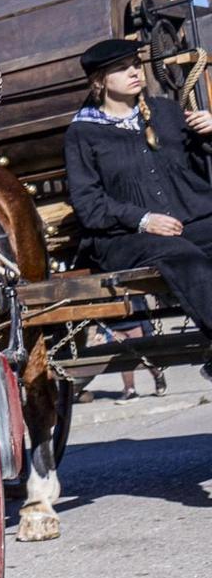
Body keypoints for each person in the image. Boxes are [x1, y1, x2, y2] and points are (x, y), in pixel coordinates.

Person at [63, 38, 212, 372]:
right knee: (182, 255)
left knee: (191, 242)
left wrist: (210, 134)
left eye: (135, 64)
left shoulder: (166, 112)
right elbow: (88, 204)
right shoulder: (83, 133)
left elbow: (202, 171)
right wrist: (143, 219)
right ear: (100, 80)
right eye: (122, 67)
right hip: (123, 236)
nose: (134, 71)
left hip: (189, 219)